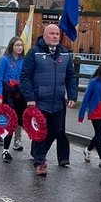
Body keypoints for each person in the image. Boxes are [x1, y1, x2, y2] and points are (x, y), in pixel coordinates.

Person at [20, 24, 78, 177]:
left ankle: (38, 153)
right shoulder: (34, 53)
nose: (55, 36)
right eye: (52, 33)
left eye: (57, 34)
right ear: (45, 36)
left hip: (58, 101)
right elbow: (25, 76)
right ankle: (40, 162)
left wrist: (72, 96)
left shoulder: (65, 54)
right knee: (41, 132)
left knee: (56, 130)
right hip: (39, 101)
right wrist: (30, 97)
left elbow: (71, 77)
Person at [0, 36, 27, 162]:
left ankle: (17, 141)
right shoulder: (4, 59)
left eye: (21, 45)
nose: (19, 47)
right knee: (10, 121)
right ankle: (5, 150)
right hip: (8, 93)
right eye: (17, 45)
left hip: (20, 93)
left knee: (20, 120)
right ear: (11, 46)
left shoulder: (24, 60)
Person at [77, 63, 101, 166]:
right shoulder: (94, 82)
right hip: (95, 111)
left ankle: (88, 150)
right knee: (99, 134)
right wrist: (81, 115)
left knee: (99, 134)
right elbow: (86, 98)